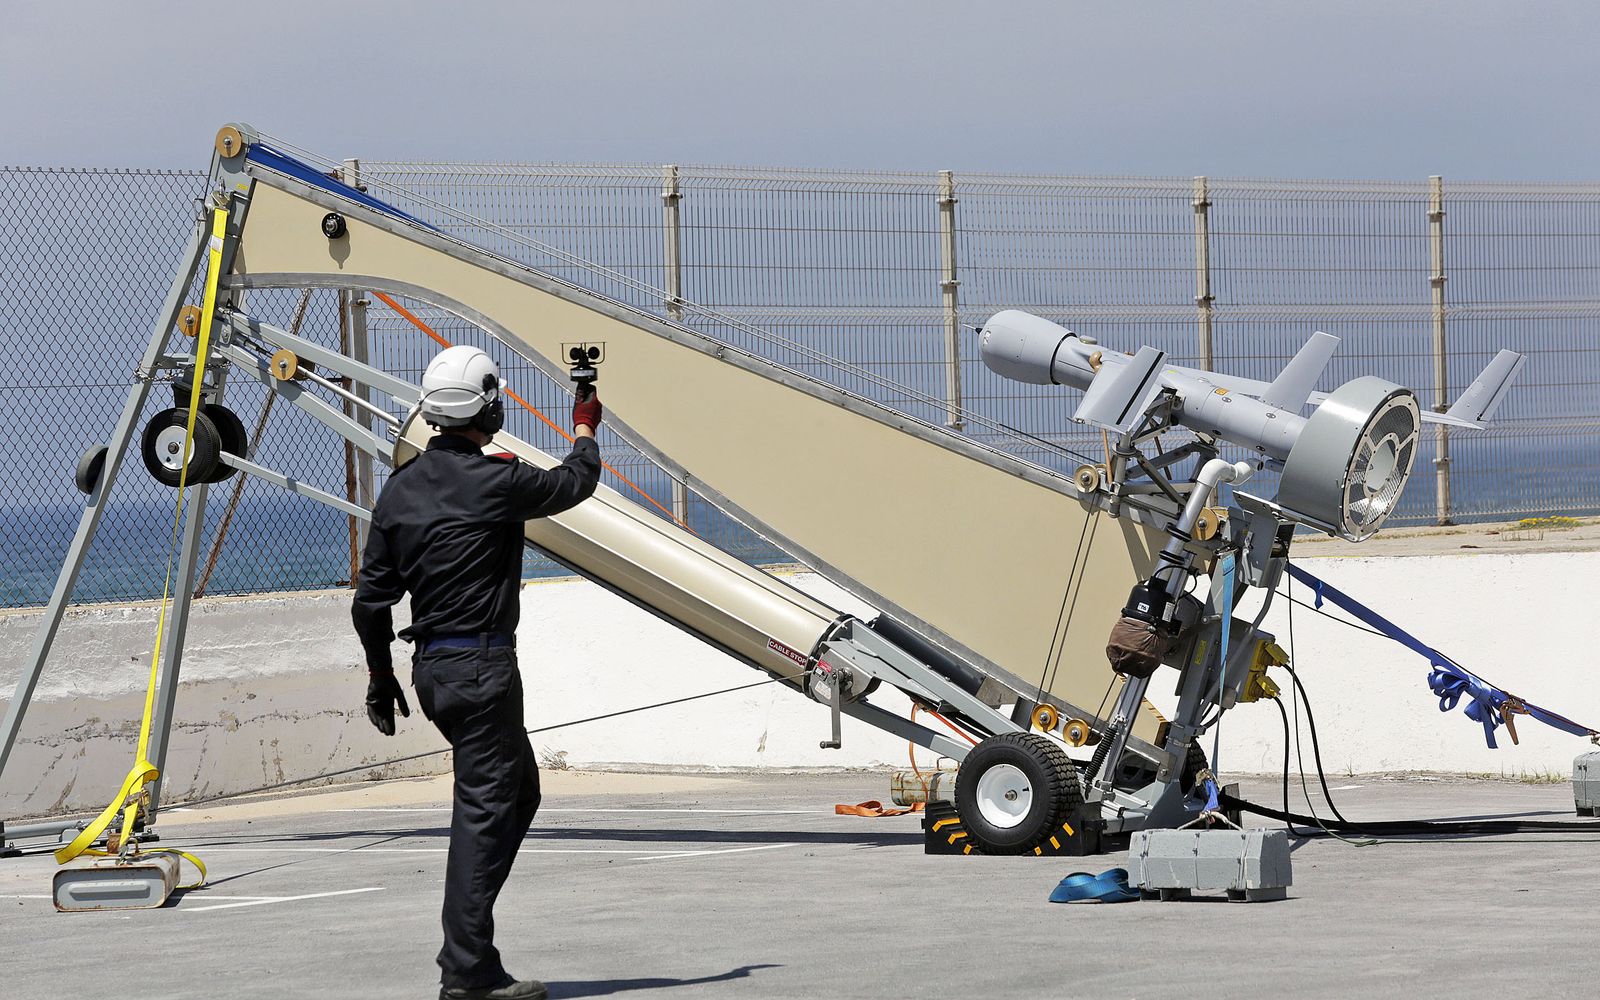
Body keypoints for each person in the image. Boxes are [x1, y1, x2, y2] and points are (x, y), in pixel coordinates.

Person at [352, 345, 602, 1000]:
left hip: (433, 673)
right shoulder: (499, 478)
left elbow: (369, 602)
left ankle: (476, 958)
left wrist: (381, 678)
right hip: (483, 669)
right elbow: (575, 483)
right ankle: (465, 973)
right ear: (488, 405)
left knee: (518, 794)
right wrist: (584, 424)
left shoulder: (399, 489)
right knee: (485, 812)